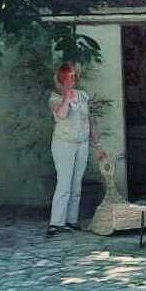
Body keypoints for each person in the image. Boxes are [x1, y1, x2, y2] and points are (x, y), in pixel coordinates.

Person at [47, 63, 107, 237]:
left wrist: (98, 146)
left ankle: (71, 220)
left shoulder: (82, 96)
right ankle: (56, 222)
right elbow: (62, 114)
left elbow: (89, 121)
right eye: (68, 77)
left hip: (82, 143)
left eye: (73, 76)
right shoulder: (54, 98)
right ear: (61, 79)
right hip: (64, 143)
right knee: (64, 182)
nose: (71, 80)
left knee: (76, 183)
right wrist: (66, 96)